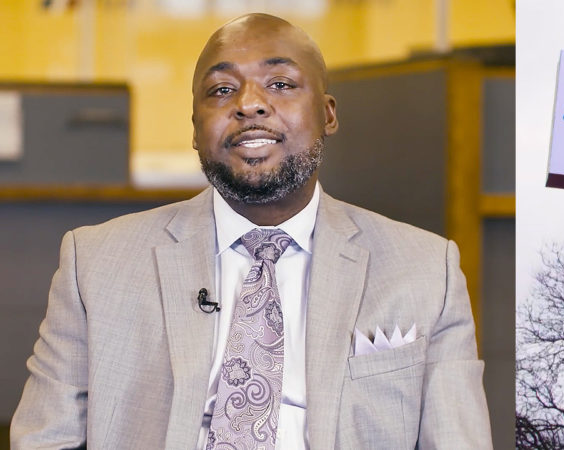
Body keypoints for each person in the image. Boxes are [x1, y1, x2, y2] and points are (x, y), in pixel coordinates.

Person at [10, 13, 491, 450]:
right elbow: (44, 440)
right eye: (222, 90)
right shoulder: (94, 262)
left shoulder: (428, 270)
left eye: (280, 83)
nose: (250, 104)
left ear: (327, 114)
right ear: (195, 128)